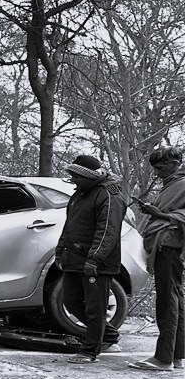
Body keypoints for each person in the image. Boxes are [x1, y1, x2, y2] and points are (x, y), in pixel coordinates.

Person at [56, 154, 127, 364]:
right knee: (70, 300)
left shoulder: (108, 195)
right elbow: (69, 226)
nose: (73, 180)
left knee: (95, 308)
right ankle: (109, 335)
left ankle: (90, 351)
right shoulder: (80, 194)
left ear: (88, 176)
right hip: (74, 259)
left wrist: (94, 259)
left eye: (77, 176)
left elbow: (108, 231)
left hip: (96, 264)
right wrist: (60, 250)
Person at [130, 146, 185, 371]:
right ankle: (177, 356)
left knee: (167, 300)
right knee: (175, 298)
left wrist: (159, 214)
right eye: (155, 169)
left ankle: (163, 359)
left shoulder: (182, 184)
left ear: (175, 163)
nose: (157, 173)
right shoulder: (172, 184)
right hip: (166, 245)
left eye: (161, 167)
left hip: (170, 246)